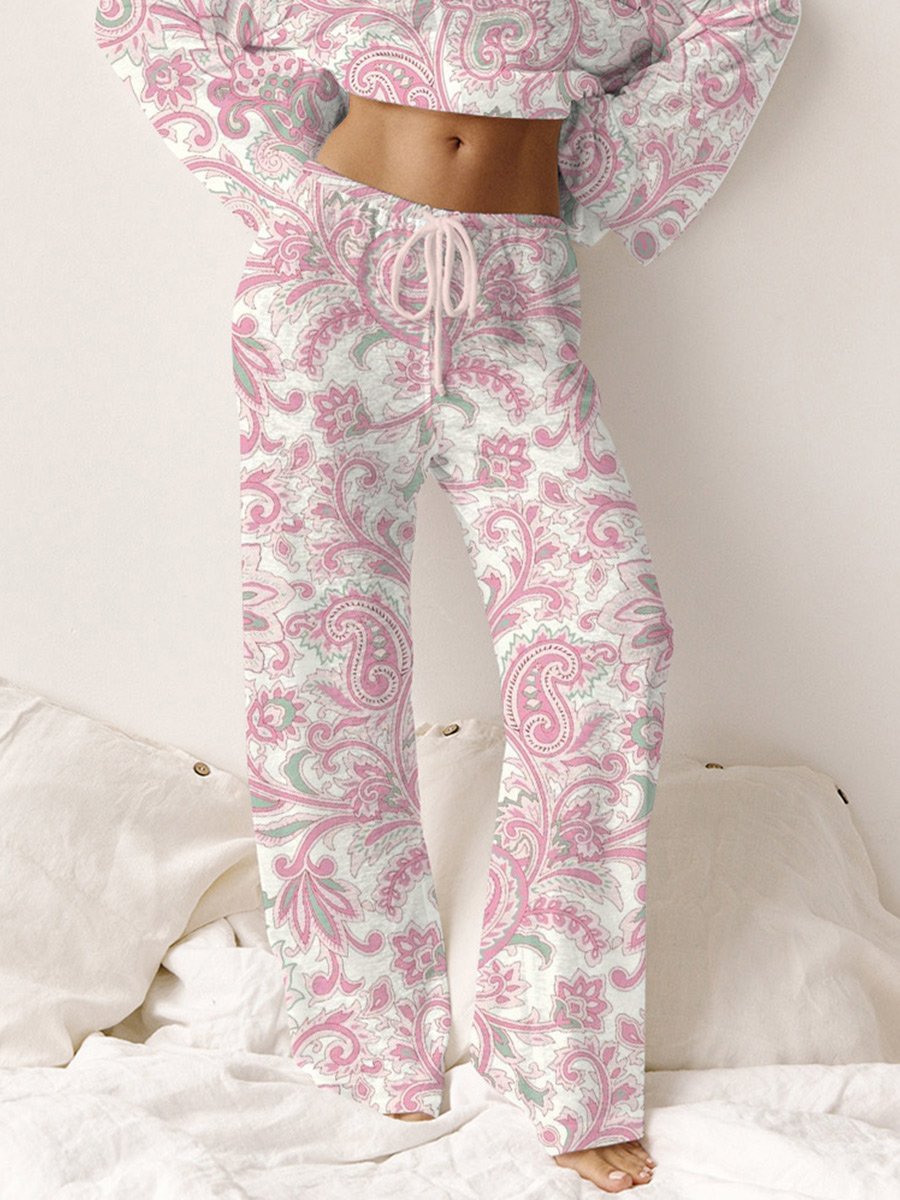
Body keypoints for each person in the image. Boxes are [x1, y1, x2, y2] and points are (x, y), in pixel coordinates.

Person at [92, 1, 801, 1190]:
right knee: (324, 654)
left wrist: (594, 166)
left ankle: (561, 1057)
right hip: (328, 277)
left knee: (609, 639)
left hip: (518, 299)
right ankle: (364, 1030)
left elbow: (754, 14)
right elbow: (143, 14)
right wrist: (291, 177)